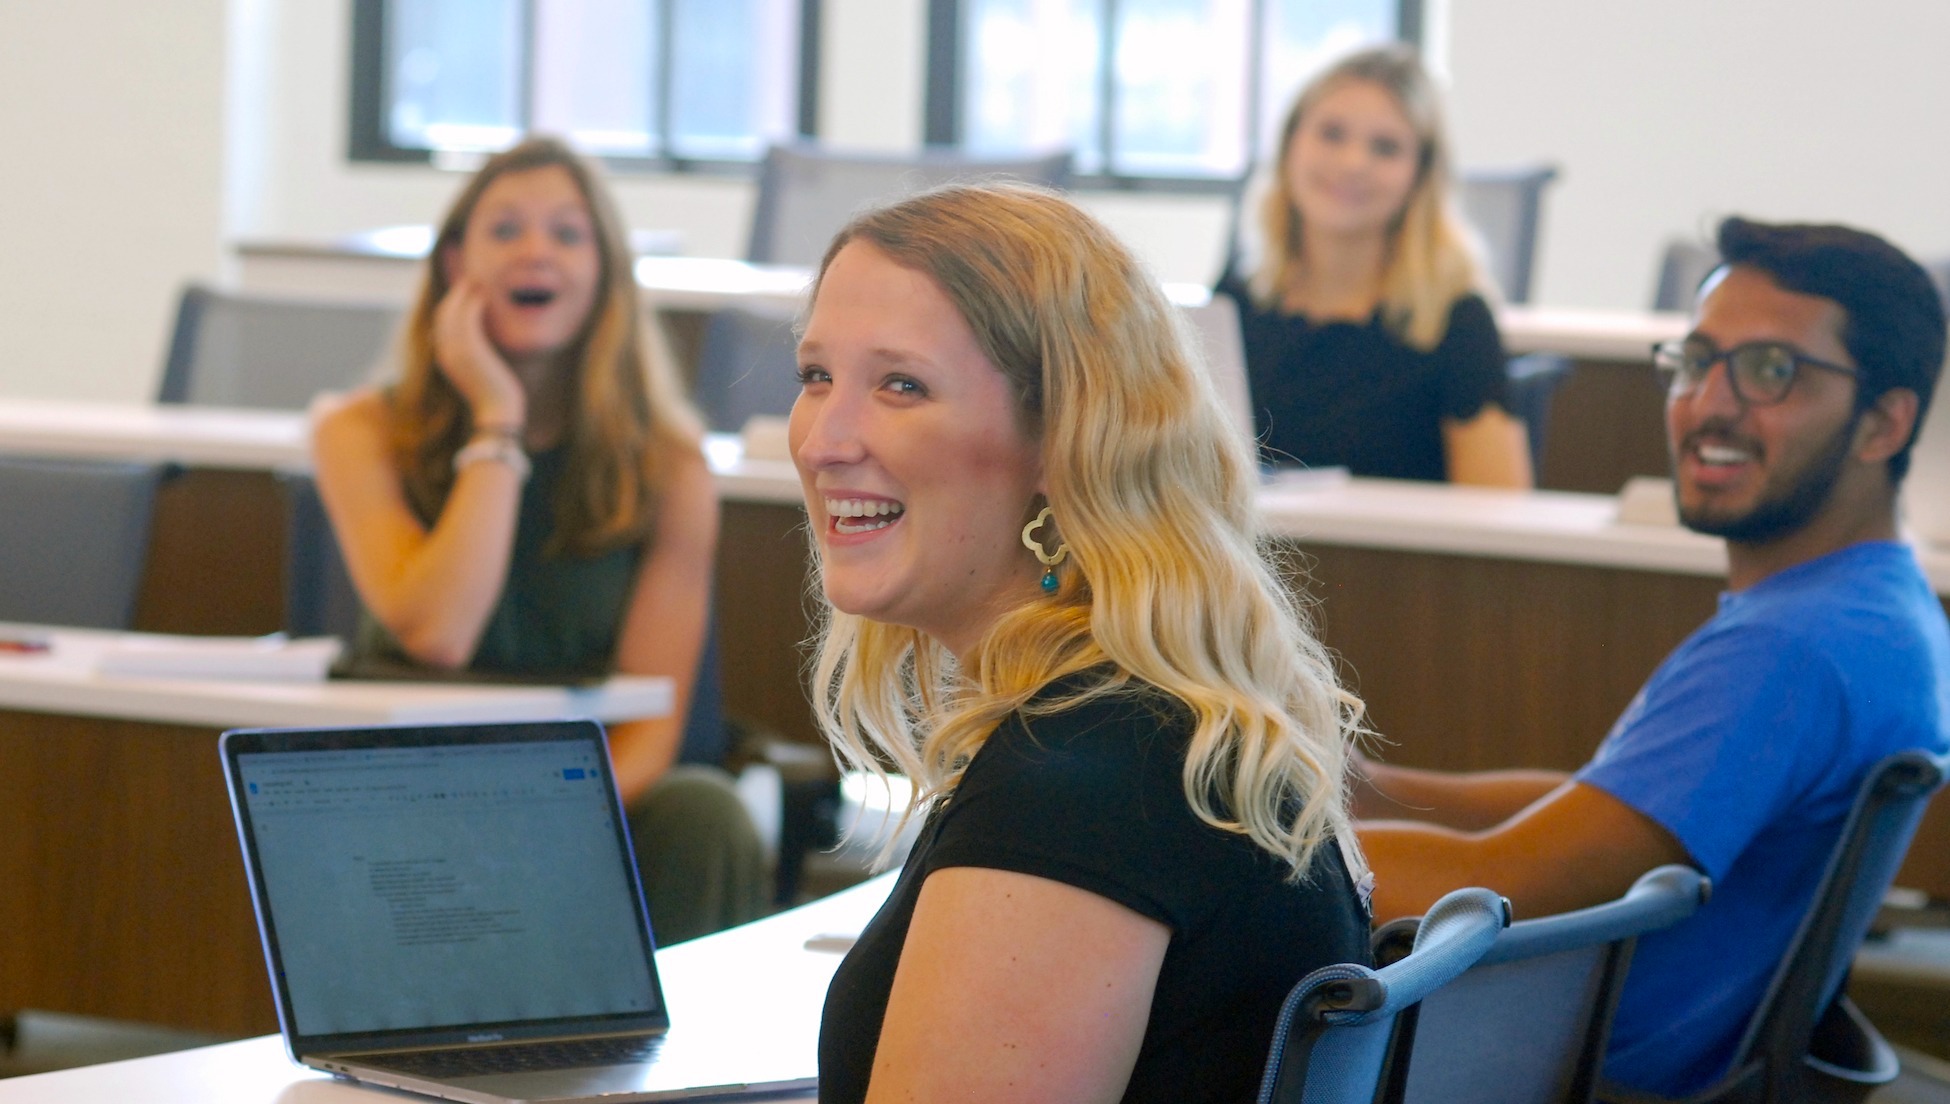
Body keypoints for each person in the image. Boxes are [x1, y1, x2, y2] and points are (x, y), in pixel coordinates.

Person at [790, 182, 1373, 1104]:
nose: (824, 439)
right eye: (815, 375)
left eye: (901, 384)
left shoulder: (1081, 794)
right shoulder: (1133, 734)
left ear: (1064, 440)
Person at [1353, 216, 1950, 1097]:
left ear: (1883, 423)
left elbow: (1497, 884)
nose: (1710, 403)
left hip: (1546, 1072)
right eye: (1697, 360)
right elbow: (1603, 815)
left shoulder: (1791, 652)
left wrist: (1264, 852)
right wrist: (1368, 786)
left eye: (1770, 371)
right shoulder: (1868, 606)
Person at [310, 136, 766, 944]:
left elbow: (653, 728)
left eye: (566, 232)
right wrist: (497, 420)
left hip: (579, 797)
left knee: (705, 814)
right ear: (455, 264)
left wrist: (540, 824)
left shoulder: (669, 467)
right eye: (505, 229)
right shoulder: (359, 431)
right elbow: (438, 633)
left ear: (604, 272)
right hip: (408, 785)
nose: (536, 252)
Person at [1216, 45, 1532, 487]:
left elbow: (1501, 509)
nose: (1353, 163)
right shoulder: (1238, 299)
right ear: (1290, 145)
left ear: (1420, 175)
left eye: (1385, 148)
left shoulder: (1456, 320)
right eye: (1331, 134)